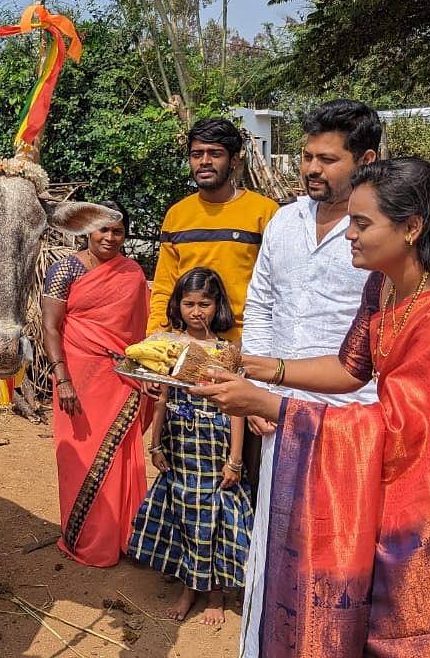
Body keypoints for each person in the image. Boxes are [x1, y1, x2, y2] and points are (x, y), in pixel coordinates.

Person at [195, 157, 430, 656]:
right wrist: (256, 366)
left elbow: (410, 429)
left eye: (362, 223)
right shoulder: (386, 283)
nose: (348, 233)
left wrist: (273, 407)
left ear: (411, 228)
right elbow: (352, 369)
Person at [238, 98, 383, 656]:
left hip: (354, 414)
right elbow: (262, 305)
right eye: (306, 157)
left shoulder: (378, 230)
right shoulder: (284, 220)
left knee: (344, 545)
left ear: (366, 160)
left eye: (327, 159)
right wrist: (261, 396)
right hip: (280, 410)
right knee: (278, 538)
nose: (311, 170)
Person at [127, 268, 254, 627]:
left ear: (218, 307)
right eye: (189, 303)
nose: (196, 311)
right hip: (180, 443)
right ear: (177, 305)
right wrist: (155, 446)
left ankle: (213, 593)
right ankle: (189, 586)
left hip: (215, 446)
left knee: (213, 517)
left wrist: (235, 460)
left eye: (205, 304)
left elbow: (236, 408)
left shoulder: (227, 351)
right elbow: (161, 397)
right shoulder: (167, 345)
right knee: (185, 514)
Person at [40, 202, 151, 567]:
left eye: (117, 231)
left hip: (121, 379)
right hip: (77, 380)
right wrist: (63, 379)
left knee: (121, 459)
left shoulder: (132, 273)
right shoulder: (64, 270)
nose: (110, 237)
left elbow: (138, 332)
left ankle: (126, 538)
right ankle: (85, 539)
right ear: (88, 230)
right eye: (103, 229)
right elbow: (51, 328)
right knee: (78, 459)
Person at [148, 118, 279, 340]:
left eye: (215, 154)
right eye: (197, 154)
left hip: (246, 343)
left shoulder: (265, 213)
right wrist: (156, 338)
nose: (204, 161)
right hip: (186, 343)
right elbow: (164, 287)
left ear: (234, 160)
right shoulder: (177, 215)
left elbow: (279, 287)